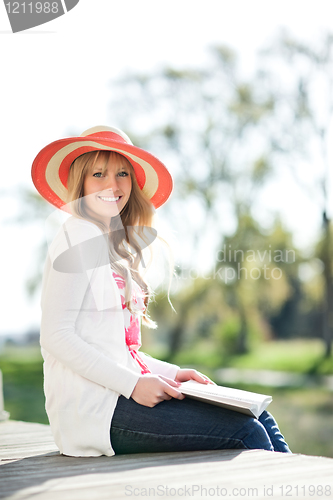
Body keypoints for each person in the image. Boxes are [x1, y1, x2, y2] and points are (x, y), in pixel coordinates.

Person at [31, 125, 291, 457]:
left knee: (260, 416)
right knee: (245, 432)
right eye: (99, 174)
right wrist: (134, 384)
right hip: (93, 411)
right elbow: (56, 335)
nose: (113, 185)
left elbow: (118, 350)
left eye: (122, 174)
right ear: (80, 182)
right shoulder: (77, 234)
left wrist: (170, 372)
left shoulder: (112, 248)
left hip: (116, 398)